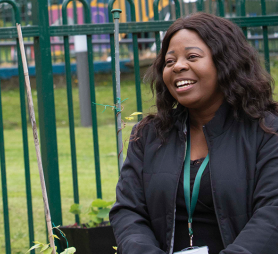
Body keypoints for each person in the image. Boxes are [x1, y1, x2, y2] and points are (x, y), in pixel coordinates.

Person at [109, 12, 278, 254]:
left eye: (192, 56)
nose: (178, 66)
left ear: (226, 63)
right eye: (169, 61)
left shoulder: (268, 131)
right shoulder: (148, 136)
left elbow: (272, 214)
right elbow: (128, 211)